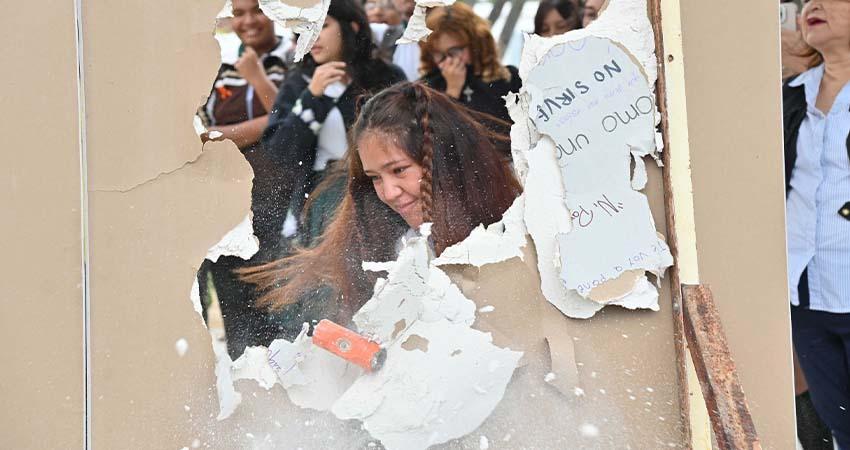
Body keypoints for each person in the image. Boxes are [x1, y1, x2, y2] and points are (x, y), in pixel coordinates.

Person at [241, 82, 521, 339]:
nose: (388, 193)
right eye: (375, 177)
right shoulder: (378, 246)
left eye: (399, 170)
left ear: (443, 157)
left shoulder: (514, 233)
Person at [256, 0, 406, 261]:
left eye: (322, 26)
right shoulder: (298, 83)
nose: (311, 36)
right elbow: (280, 153)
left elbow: (407, 140)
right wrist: (312, 97)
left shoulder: (385, 76)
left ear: (352, 26)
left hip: (381, 195)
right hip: (320, 201)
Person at [195, 0, 291, 359]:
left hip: (277, 205)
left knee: (275, 308)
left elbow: (289, 122)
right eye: (239, 13)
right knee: (233, 312)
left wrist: (256, 78)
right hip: (226, 207)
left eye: (258, 10)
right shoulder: (220, 70)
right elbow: (199, 132)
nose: (249, 21)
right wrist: (257, 127)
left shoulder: (294, 59)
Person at [782, 0, 850, 447]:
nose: (813, 5)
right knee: (839, 424)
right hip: (805, 292)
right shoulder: (790, 94)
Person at [419, 3, 522, 145]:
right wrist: (452, 92)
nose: (448, 61)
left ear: (474, 43)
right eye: (439, 54)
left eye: (454, 51)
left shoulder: (507, 79)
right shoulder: (426, 87)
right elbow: (434, 139)